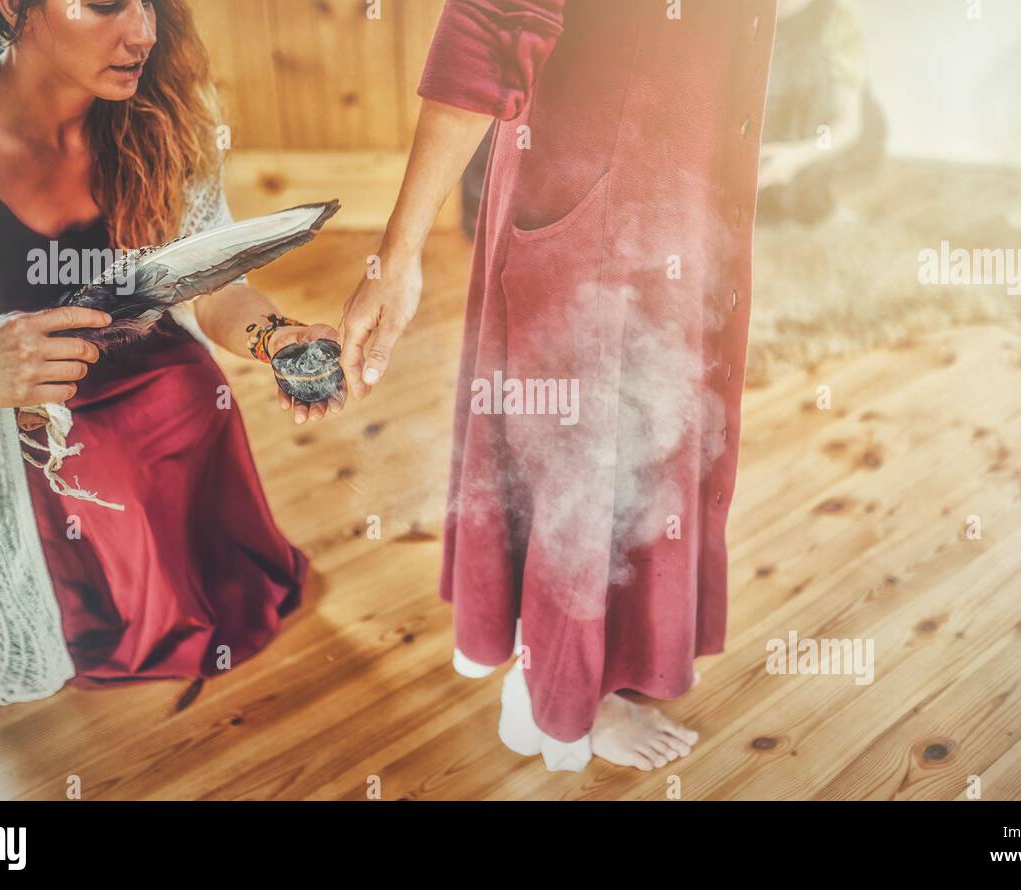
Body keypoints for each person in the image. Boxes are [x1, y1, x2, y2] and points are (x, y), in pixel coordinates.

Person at [338, 0, 777, 771]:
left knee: (656, 433)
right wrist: (399, 253)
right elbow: (488, 20)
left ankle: (618, 655)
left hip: (678, 182)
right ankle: (569, 690)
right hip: (594, 196)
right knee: (585, 455)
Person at [0, 0, 340, 703]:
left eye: (150, 3)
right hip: (19, 411)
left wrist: (277, 338)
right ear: (13, 7)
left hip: (137, 357)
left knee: (193, 390)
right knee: (108, 453)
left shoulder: (160, 111)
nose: (144, 31)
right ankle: (110, 622)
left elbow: (212, 289)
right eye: (103, 5)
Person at [756, 0, 885, 225]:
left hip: (823, 136)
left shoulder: (837, 18)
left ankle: (818, 199)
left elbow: (847, 124)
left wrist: (795, 158)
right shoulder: (733, 12)